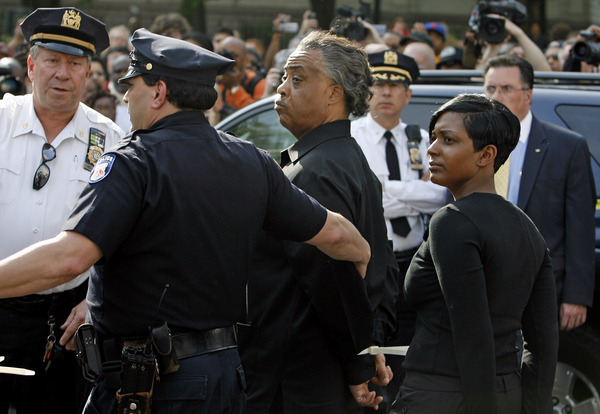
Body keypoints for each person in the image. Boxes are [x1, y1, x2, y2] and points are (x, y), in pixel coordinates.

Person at [0, 28, 372, 414]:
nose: (126, 97)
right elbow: (335, 232)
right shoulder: (251, 160)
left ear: (159, 93)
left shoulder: (133, 162)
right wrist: (362, 254)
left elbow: (69, 259)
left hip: (150, 382)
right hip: (222, 375)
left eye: (133, 86)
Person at [239, 30, 396, 413]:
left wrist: (357, 362)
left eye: (297, 78)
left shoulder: (317, 171)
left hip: (296, 376)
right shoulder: (337, 157)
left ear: (333, 93)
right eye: (283, 77)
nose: (282, 88)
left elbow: (333, 278)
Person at [390, 93, 559, 414]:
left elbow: (473, 333)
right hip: (507, 393)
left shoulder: (452, 221)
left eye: (448, 140)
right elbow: (544, 342)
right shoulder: (528, 229)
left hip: (446, 395)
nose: (432, 148)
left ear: (487, 155)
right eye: (434, 137)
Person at [0, 7, 124, 414]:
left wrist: (93, 301)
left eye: (74, 64)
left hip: (65, 321)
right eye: (52, 60)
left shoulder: (110, 139)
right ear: (31, 66)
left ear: (88, 73)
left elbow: (126, 235)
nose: (62, 74)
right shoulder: (1, 120)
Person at [351, 49, 448, 412]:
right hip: (372, 264)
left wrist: (383, 187)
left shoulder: (422, 139)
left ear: (409, 94)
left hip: (412, 263)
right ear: (366, 90)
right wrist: (410, 190)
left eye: (396, 85)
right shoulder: (352, 137)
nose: (387, 93)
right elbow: (363, 203)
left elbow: (439, 194)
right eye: (379, 84)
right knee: (373, 347)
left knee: (408, 349)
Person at [483, 54, 595, 331]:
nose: (496, 97)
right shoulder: (469, 144)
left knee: (537, 369)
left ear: (528, 94)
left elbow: (580, 228)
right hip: (481, 282)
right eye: (490, 89)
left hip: (541, 286)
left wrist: (576, 296)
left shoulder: (566, 147)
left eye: (506, 89)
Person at [217, 36, 266, 111]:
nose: (229, 60)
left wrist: (235, 87)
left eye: (234, 56)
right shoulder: (217, 82)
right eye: (224, 55)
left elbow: (256, 113)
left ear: (245, 59)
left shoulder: (257, 82)